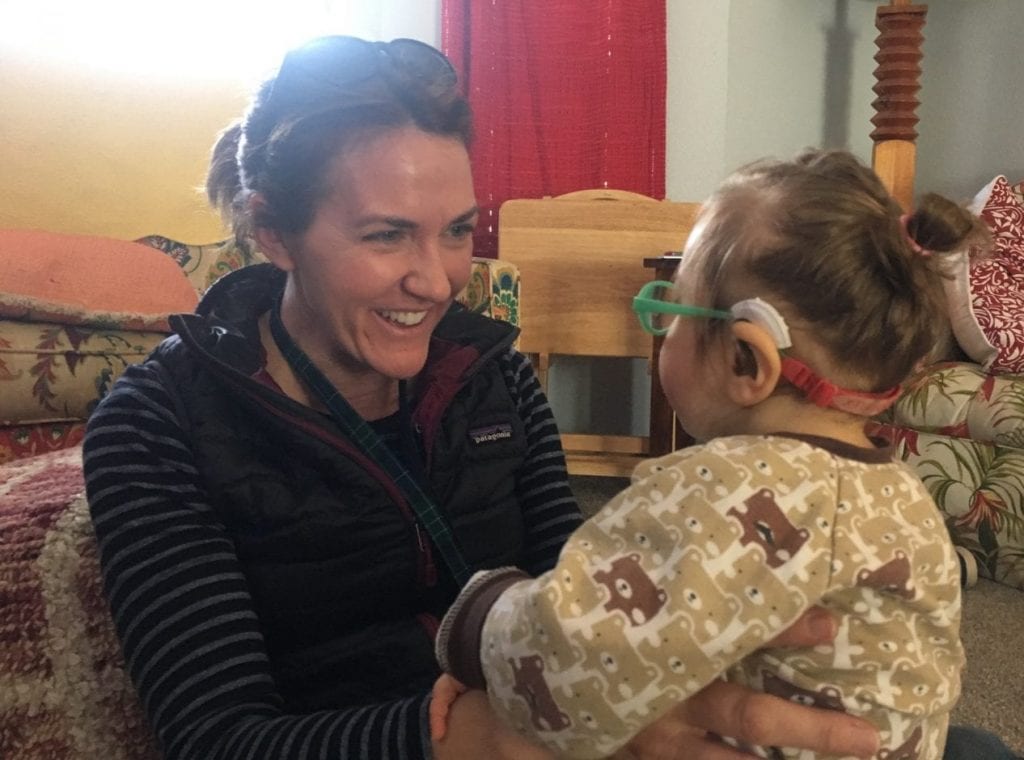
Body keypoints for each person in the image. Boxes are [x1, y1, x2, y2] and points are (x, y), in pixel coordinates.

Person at [83, 36, 884, 760]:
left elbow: (576, 589)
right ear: (275, 232)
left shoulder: (489, 368)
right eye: (386, 234)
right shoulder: (158, 424)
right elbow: (221, 741)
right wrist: (487, 736)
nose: (435, 282)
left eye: (458, 231)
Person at [434, 150, 1005, 759]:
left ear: (744, 359)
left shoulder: (727, 489)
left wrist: (481, 619)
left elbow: (575, 664)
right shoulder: (900, 491)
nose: (662, 327)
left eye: (671, 306)